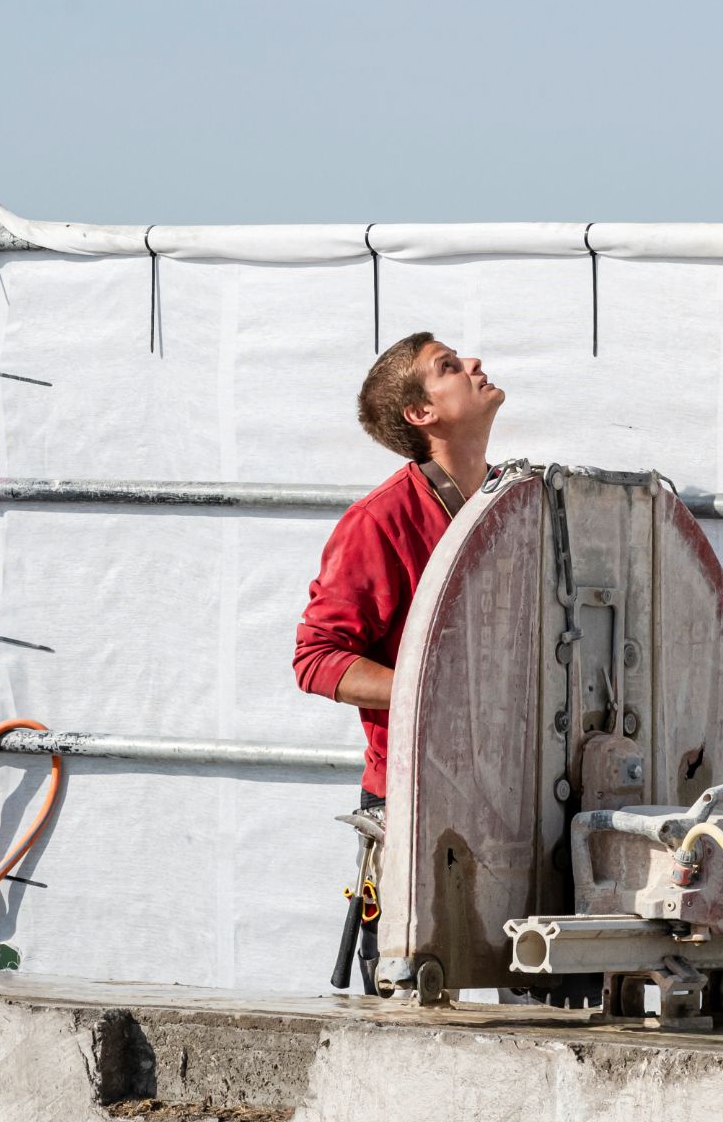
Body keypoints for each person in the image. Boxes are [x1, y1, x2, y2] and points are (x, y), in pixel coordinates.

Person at [292, 330, 506, 987]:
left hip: (510, 801)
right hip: (415, 805)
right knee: (415, 1002)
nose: (473, 363)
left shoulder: (512, 501)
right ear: (422, 414)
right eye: (448, 366)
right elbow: (316, 658)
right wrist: (429, 692)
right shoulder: (379, 522)